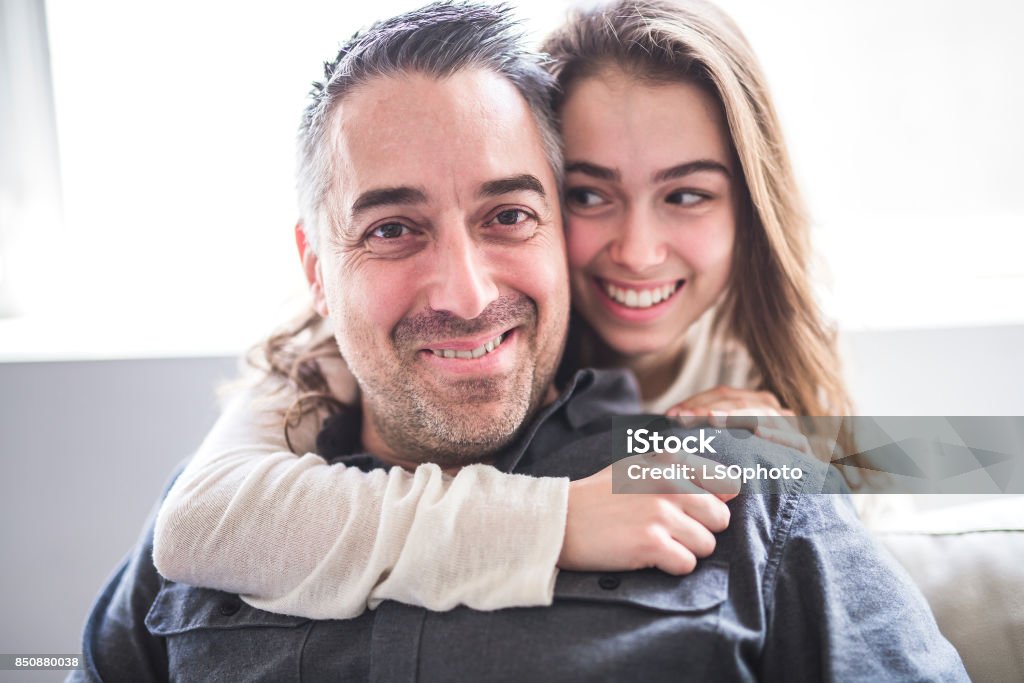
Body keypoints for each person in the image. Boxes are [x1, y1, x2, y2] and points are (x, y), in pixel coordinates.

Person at [74, 3, 967, 681]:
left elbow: (955, 460)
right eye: (392, 228)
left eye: (508, 213)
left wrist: (815, 458)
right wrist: (554, 523)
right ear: (316, 267)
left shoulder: (746, 475)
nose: (465, 292)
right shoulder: (226, 510)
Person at [151, 0, 836, 618]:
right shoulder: (327, 358)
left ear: (751, 210)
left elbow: (926, 468)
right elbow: (196, 519)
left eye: (686, 195)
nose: (636, 251)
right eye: (590, 195)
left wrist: (821, 461)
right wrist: (553, 522)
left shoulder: (757, 371)